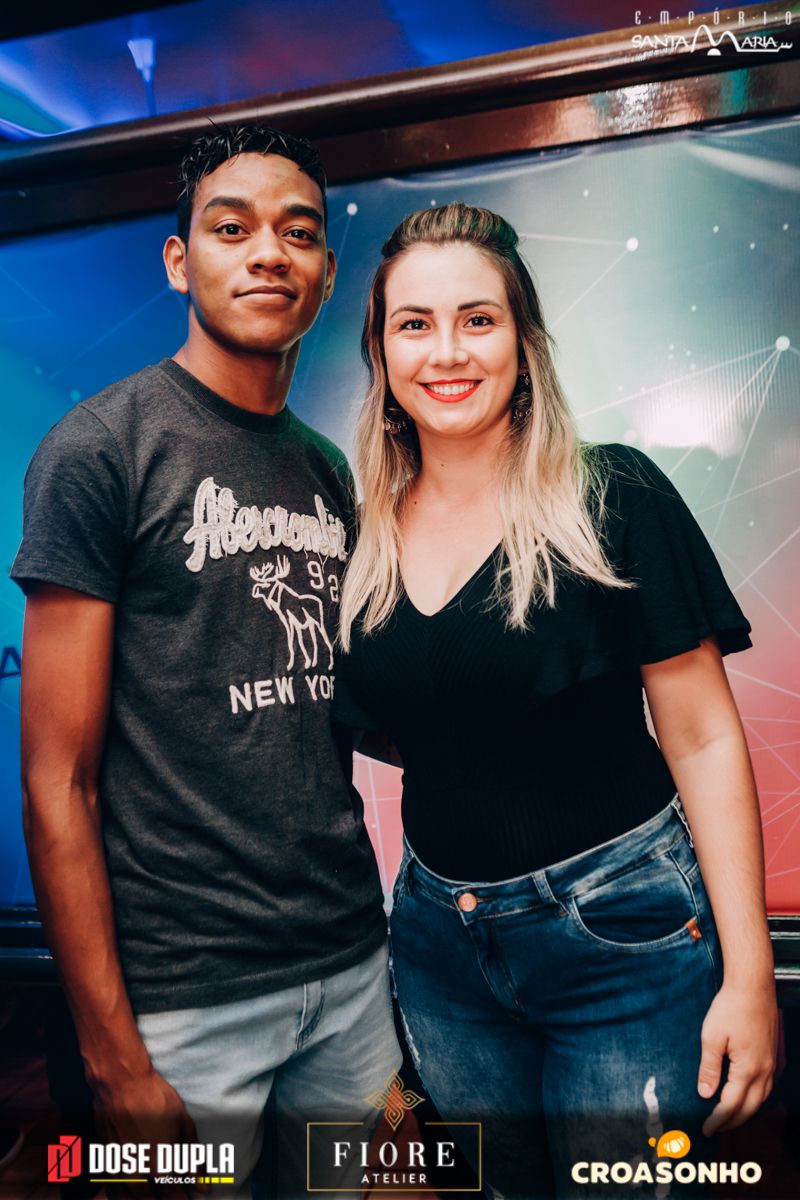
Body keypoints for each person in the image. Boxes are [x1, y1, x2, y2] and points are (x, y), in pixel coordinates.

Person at [335, 202, 778, 1199]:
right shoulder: (361, 539)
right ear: (382, 353)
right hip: (438, 950)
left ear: (523, 342)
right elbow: (421, 732)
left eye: (477, 319)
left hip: (621, 938)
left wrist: (749, 977)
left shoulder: (611, 495)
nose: (447, 351)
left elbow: (703, 738)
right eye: (413, 324)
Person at [12, 125, 400, 1199]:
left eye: (298, 233)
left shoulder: (325, 470)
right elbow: (56, 780)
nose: (268, 252)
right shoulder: (102, 449)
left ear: (327, 273)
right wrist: (111, 1055)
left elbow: (336, 707)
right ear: (181, 262)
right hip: (182, 998)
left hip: (348, 966)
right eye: (231, 230)